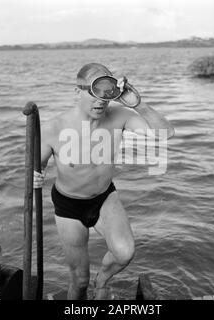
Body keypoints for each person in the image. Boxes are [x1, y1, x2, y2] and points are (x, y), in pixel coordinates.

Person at [34, 63, 175, 300]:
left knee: (124, 253)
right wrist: (35, 175)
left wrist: (138, 104)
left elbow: (166, 134)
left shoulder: (120, 116)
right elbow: (34, 166)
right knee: (79, 281)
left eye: (106, 94)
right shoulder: (53, 128)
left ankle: (103, 280)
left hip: (104, 197)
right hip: (69, 206)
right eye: (93, 92)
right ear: (77, 92)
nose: (100, 101)